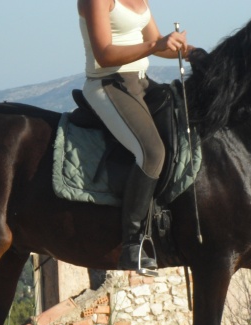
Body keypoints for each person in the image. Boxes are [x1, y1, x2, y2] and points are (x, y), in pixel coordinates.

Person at [78, 0, 191, 272]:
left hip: (141, 81)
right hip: (108, 83)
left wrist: (191, 52)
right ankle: (132, 244)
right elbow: (104, 54)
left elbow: (155, 40)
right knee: (151, 152)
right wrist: (156, 46)